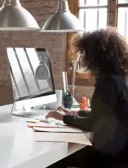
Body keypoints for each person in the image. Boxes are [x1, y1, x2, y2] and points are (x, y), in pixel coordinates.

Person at [47, 28, 128, 168]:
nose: (83, 59)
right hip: (119, 154)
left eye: (85, 54)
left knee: (53, 162)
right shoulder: (118, 78)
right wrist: (74, 113)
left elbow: (94, 123)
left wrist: (63, 118)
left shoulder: (108, 82)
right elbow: (105, 115)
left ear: (96, 56)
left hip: (109, 159)